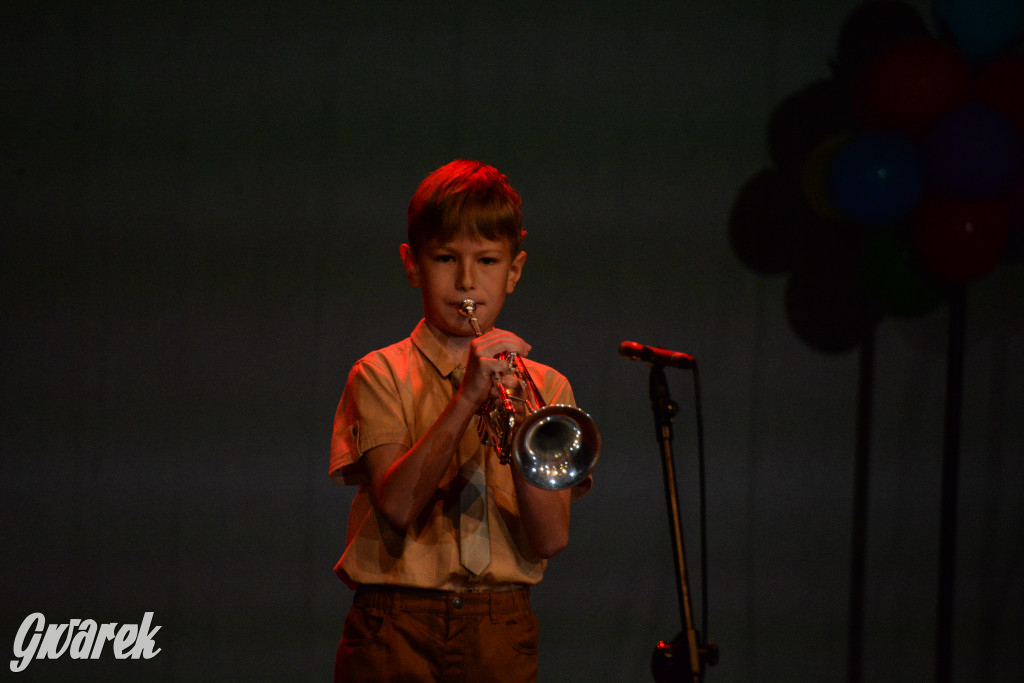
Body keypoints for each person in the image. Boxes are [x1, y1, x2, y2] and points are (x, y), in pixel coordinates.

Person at [329, 159, 592, 682]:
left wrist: (518, 424)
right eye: (446, 258)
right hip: (396, 623)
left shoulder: (546, 387)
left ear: (514, 271)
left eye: (488, 261)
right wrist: (468, 396)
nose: (467, 281)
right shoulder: (379, 373)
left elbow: (549, 540)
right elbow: (399, 506)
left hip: (501, 625)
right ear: (412, 265)